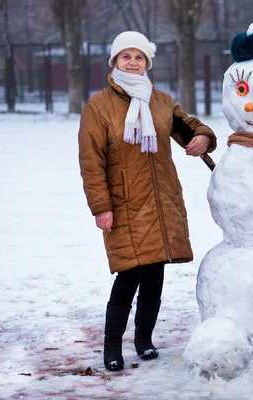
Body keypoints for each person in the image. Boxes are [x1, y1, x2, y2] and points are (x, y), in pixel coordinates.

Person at [78, 31, 216, 371]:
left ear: (147, 63)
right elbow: (91, 161)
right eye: (125, 56)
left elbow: (189, 128)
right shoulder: (98, 106)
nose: (133, 62)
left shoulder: (161, 101)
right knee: (128, 277)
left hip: (160, 203)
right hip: (124, 204)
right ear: (114, 62)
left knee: (154, 276)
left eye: (139, 57)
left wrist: (202, 138)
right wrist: (101, 206)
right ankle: (112, 347)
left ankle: (144, 339)